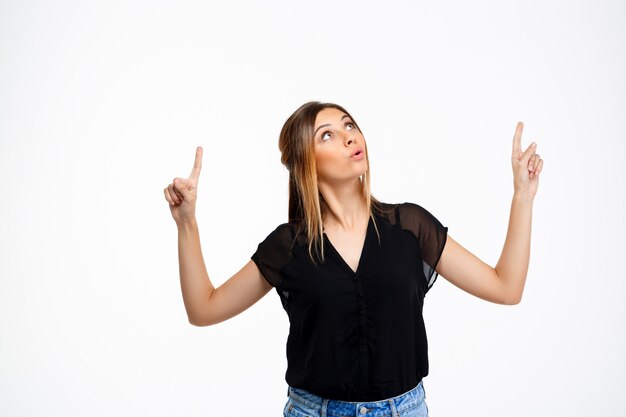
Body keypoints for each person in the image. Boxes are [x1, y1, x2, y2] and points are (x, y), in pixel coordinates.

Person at [163, 101, 543, 417]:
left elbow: (506, 287)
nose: (349, 136)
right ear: (304, 162)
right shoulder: (289, 245)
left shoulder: (410, 227)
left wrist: (522, 196)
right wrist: (186, 224)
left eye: (349, 125)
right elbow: (204, 309)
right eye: (327, 134)